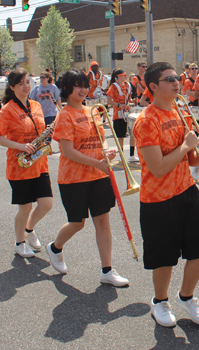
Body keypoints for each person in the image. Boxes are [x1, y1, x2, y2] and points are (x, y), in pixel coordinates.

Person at [133, 61, 199, 327]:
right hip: (158, 199)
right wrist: (186, 147)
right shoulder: (146, 121)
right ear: (153, 86)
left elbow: (191, 159)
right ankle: (160, 302)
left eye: (176, 78)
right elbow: (158, 168)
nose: (176, 83)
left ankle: (187, 297)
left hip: (187, 191)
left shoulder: (179, 112)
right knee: (164, 257)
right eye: (169, 79)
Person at [46, 69, 129, 287]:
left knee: (102, 221)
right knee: (78, 223)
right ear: (67, 89)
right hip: (73, 179)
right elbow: (68, 151)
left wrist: (107, 152)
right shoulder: (64, 115)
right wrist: (98, 163)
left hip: (99, 175)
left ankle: (107, 270)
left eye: (85, 85)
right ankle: (55, 247)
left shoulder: (93, 111)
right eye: (77, 85)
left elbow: (101, 141)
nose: (83, 90)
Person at [0, 68, 53, 258]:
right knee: (25, 207)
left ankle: (29, 229)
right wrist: (20, 145)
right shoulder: (7, 109)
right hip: (19, 165)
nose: (26, 86)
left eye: (27, 82)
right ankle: (19, 243)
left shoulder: (36, 105)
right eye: (21, 83)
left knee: (47, 203)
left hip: (39, 162)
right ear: (12, 87)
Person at [106, 69, 132, 158]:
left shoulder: (128, 85)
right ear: (117, 76)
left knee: (131, 134)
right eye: (122, 74)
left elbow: (129, 98)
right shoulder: (114, 86)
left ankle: (131, 155)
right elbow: (108, 101)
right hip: (118, 114)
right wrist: (118, 105)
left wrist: (131, 104)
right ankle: (122, 156)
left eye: (125, 74)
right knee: (120, 136)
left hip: (127, 113)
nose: (125, 76)